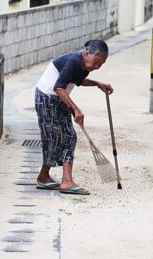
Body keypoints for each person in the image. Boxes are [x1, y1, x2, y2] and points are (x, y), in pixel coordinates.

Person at [34, 39, 113, 195]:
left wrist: (98, 83)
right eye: (97, 61)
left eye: (101, 64)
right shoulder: (74, 61)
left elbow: (76, 80)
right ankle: (64, 181)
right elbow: (58, 87)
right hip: (47, 97)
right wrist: (76, 109)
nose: (97, 66)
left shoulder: (85, 65)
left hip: (60, 97)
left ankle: (48, 177)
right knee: (55, 138)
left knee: (69, 136)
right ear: (88, 53)